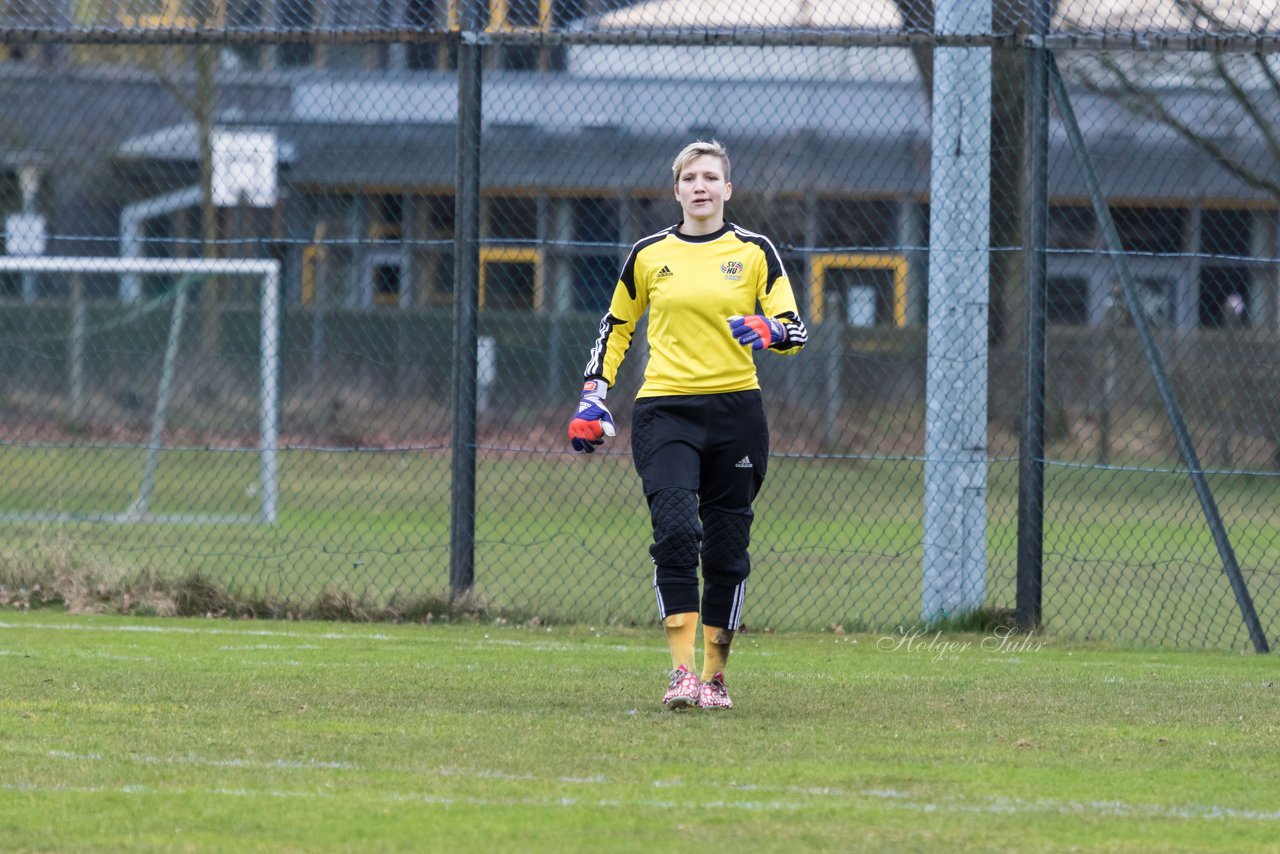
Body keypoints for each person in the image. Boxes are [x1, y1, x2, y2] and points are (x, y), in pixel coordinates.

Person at [568, 140, 807, 710]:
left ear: (728, 189)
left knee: (726, 548)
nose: (700, 186)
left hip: (737, 414)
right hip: (664, 411)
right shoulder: (649, 254)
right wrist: (591, 400)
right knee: (676, 533)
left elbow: (794, 329)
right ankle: (681, 676)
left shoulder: (755, 252)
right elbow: (616, 326)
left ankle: (715, 678)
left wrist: (768, 330)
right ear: (676, 191)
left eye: (711, 177)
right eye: (689, 178)